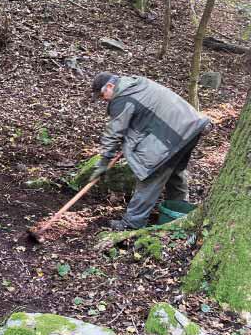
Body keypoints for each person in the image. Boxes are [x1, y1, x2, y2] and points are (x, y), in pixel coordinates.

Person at [90, 72, 210, 231]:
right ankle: (177, 213)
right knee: (173, 172)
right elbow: (145, 115)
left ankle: (131, 224)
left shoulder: (122, 98)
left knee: (150, 177)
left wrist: (103, 162)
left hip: (172, 135)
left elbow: (114, 132)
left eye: (102, 94)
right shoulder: (138, 84)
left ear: (110, 86)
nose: (103, 99)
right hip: (190, 128)